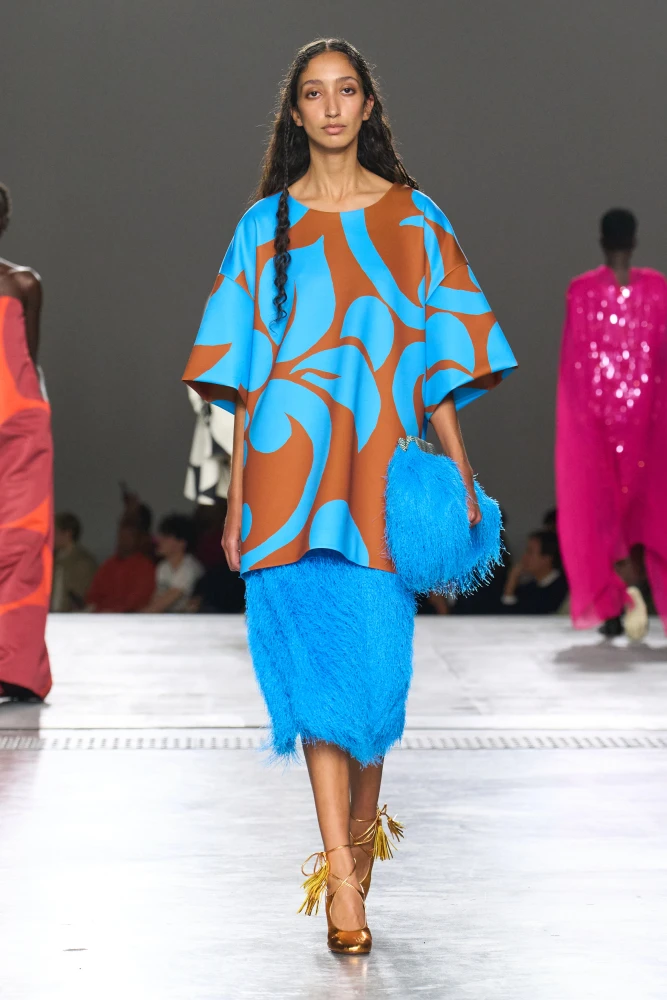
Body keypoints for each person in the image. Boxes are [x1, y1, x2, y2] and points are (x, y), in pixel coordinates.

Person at [183, 38, 516, 953]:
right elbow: (244, 381)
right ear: (295, 112)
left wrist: (460, 470)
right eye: (313, 93)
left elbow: (442, 361)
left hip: (374, 481)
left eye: (345, 91)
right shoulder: (264, 228)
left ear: (368, 105)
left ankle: (357, 852)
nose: (330, 107)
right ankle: (339, 875)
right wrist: (238, 502)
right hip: (287, 485)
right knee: (320, 684)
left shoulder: (414, 219)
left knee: (372, 687)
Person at [556, 209, 667, 640]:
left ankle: (614, 603)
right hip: (646, 427)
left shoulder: (583, 291)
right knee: (641, 511)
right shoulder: (656, 290)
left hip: (603, 427)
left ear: (602, 240)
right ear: (634, 240)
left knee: (602, 514)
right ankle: (625, 598)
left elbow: (575, 368)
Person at [0, 182, 53, 701]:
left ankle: (17, 670)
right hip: (18, 418)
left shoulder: (24, 283)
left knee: (23, 541)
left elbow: (28, 361)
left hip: (20, 426)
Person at [86, 514, 155, 612]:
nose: (123, 540)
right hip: (100, 616)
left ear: (138, 539)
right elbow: (93, 595)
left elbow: (138, 601)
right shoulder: (108, 564)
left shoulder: (145, 567)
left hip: (128, 617)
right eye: (121, 536)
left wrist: (114, 611)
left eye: (129, 536)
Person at [141, 514, 203, 613]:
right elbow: (155, 601)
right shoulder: (163, 567)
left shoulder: (189, 568)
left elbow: (160, 605)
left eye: (166, 537)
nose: (159, 540)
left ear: (182, 542)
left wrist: (134, 618)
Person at [501, 530, 568, 614]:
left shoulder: (561, 590)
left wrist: (511, 583)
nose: (524, 557)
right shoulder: (528, 588)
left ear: (546, 558)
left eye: (530, 552)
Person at [51, 512, 98, 612]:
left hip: (74, 617)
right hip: (51, 616)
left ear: (68, 533)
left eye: (55, 532)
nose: (51, 537)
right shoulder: (51, 561)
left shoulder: (84, 563)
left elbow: (87, 598)